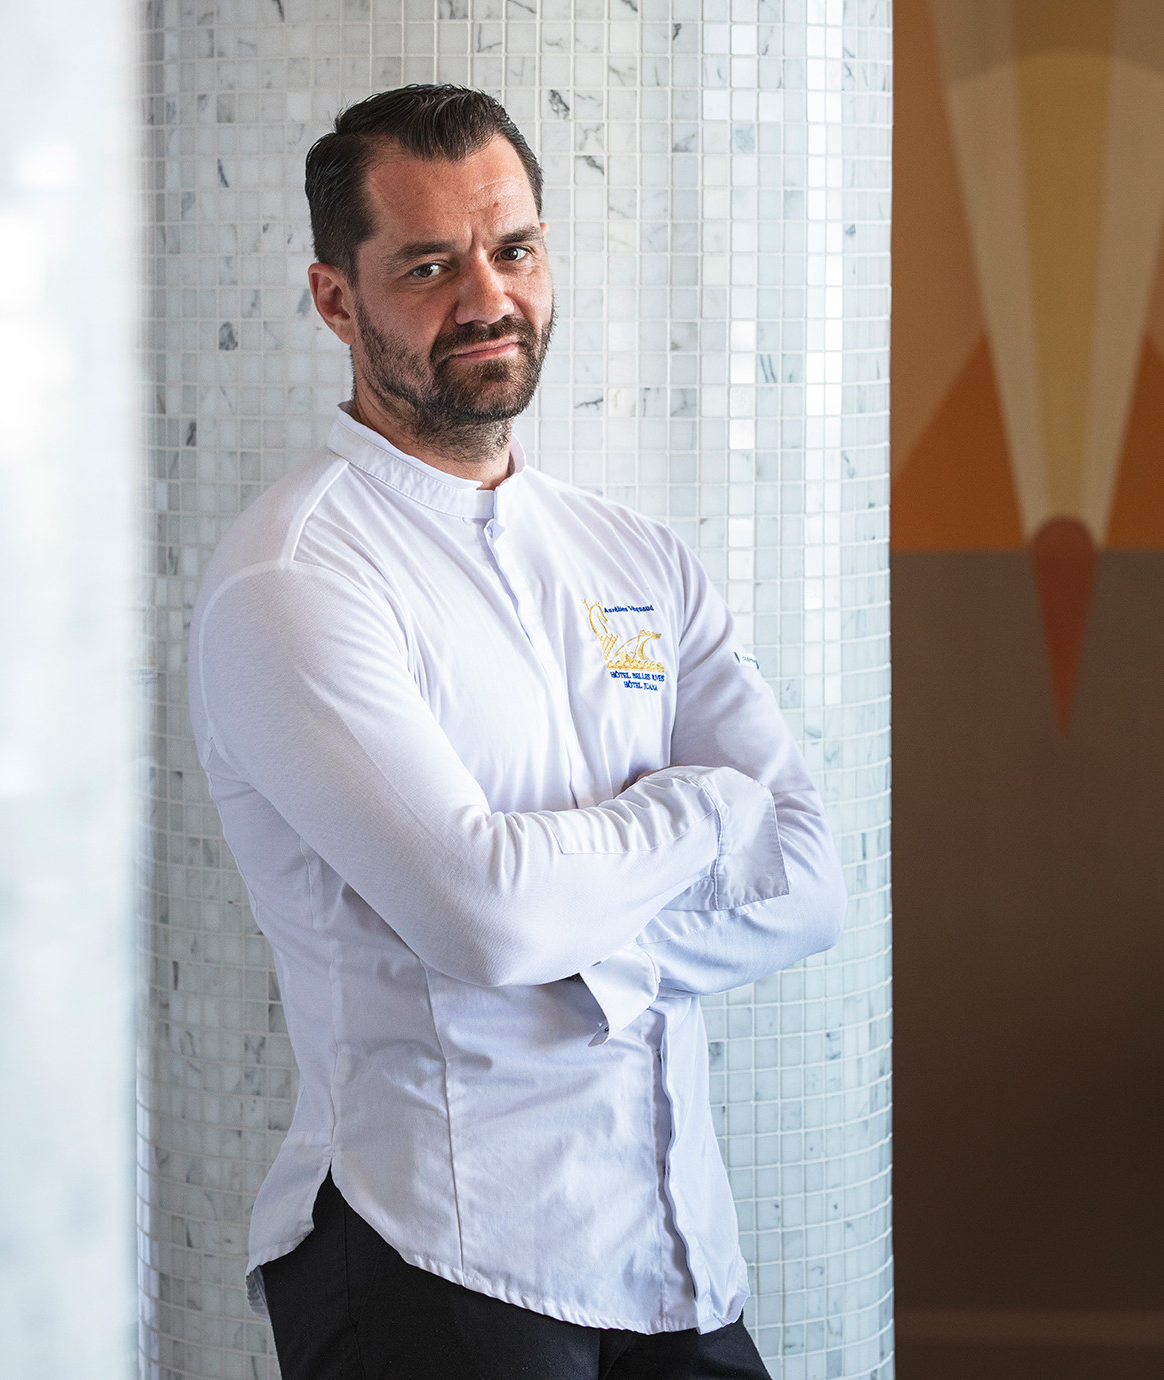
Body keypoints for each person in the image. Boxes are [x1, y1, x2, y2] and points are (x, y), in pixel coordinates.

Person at [187, 84, 846, 1380]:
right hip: (437, 1259)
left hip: (677, 1257)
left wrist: (573, 944)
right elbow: (487, 918)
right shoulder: (296, 579)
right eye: (430, 265)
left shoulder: (635, 558)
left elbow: (813, 885)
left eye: (516, 249)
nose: (489, 297)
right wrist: (704, 811)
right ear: (336, 301)